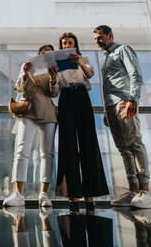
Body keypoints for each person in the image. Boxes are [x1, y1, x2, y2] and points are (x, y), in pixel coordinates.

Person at [94, 25, 151, 209]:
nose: (98, 41)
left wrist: (133, 99)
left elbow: (135, 74)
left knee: (135, 143)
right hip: (112, 106)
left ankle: (144, 192)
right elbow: (107, 87)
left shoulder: (123, 50)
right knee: (123, 148)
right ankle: (133, 191)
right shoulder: (105, 59)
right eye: (96, 38)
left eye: (100, 37)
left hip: (124, 101)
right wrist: (106, 110)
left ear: (110, 36)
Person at [55, 32, 109, 210]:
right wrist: (52, 76)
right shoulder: (56, 61)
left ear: (75, 44)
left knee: (88, 143)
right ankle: (73, 194)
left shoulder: (84, 58)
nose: (66, 45)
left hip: (82, 97)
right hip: (65, 98)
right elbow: (54, 87)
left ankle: (90, 193)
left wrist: (79, 62)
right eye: (63, 43)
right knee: (67, 145)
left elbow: (90, 74)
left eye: (69, 42)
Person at [3, 44, 60, 208]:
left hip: (47, 113)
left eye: (50, 54)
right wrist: (25, 73)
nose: (46, 56)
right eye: (44, 53)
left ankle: (43, 194)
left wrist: (54, 79)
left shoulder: (54, 70)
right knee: (21, 151)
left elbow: (55, 93)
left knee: (47, 154)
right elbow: (19, 89)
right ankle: (18, 194)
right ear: (39, 54)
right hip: (27, 111)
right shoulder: (27, 67)